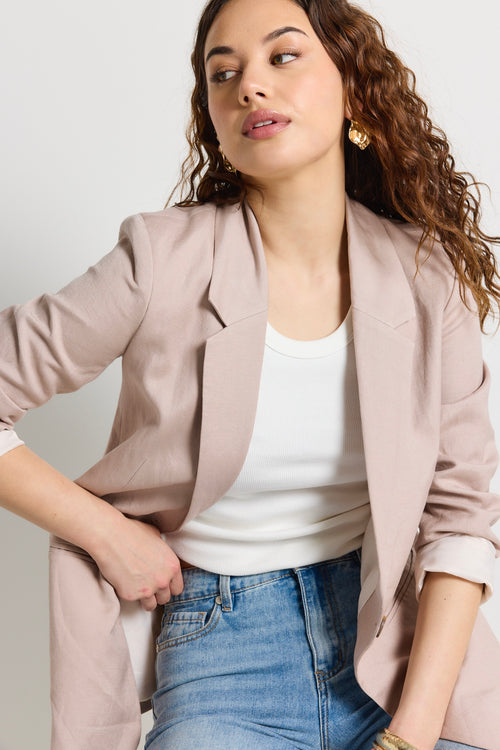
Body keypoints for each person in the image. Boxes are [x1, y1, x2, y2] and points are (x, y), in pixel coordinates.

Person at [1, 0, 500, 748]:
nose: (250, 86)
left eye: (284, 56)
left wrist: (414, 732)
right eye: (223, 72)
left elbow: (461, 516)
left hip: (398, 652)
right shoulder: (159, 262)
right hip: (219, 651)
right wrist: (104, 530)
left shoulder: (426, 277)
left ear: (355, 91)